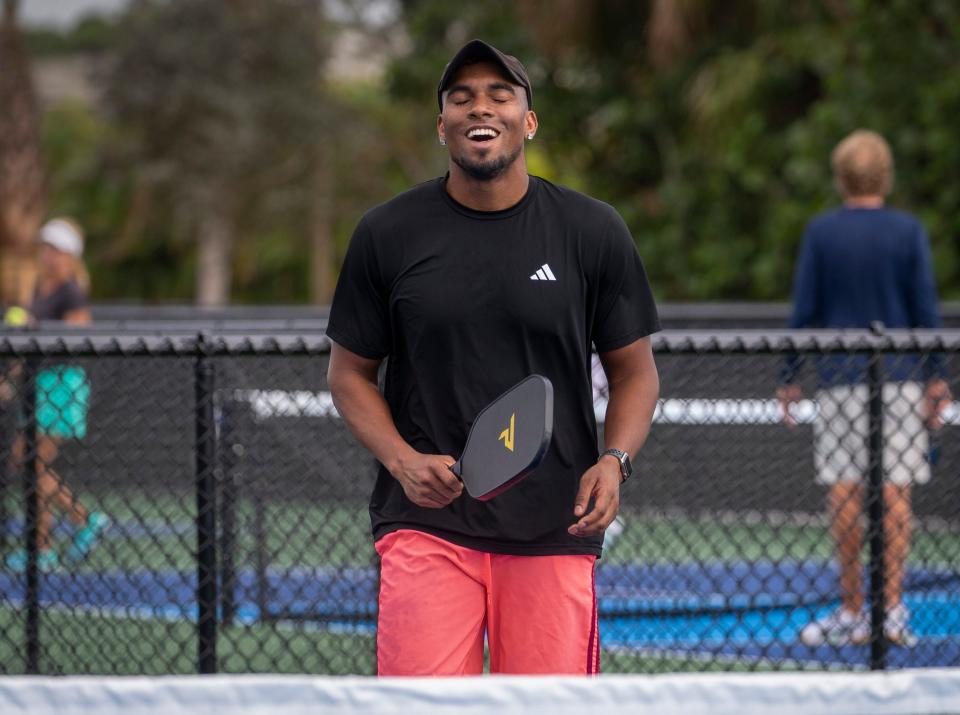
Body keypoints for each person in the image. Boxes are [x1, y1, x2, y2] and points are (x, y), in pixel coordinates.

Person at [326, 40, 660, 675]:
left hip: (554, 529)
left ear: (527, 120)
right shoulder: (386, 232)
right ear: (442, 125)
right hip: (426, 527)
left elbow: (635, 373)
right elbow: (348, 375)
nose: (482, 107)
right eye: (462, 97)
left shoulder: (592, 231)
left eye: (500, 95)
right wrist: (402, 460)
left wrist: (614, 463)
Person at [778, 130, 951, 648]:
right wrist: (935, 376)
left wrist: (789, 376)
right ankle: (891, 610)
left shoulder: (823, 234)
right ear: (886, 174)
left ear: (841, 176)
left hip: (838, 383)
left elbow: (804, 310)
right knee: (896, 492)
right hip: (899, 381)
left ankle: (855, 608)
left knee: (845, 492)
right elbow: (925, 308)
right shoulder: (907, 231)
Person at [3, 218, 108, 573]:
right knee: (28, 462)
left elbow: (78, 335)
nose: (47, 255)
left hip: (62, 384)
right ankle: (59, 536)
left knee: (34, 462)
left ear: (69, 256)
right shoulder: (38, 290)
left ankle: (64, 533)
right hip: (38, 384)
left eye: (55, 250)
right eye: (45, 248)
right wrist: (11, 379)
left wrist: (44, 329)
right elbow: (29, 344)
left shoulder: (72, 291)